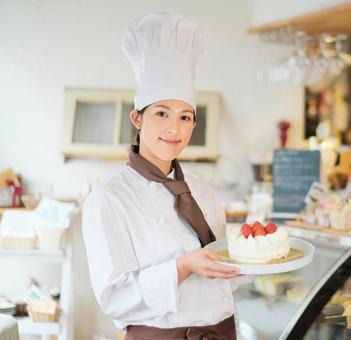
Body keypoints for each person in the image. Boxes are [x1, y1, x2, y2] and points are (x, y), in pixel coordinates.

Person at [82, 12, 240, 340]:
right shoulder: (109, 198)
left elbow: (222, 274)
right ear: (137, 119)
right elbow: (114, 298)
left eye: (185, 117)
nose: (173, 128)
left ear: (194, 125)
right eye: (161, 114)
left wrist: (255, 254)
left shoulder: (205, 192)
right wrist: (183, 266)